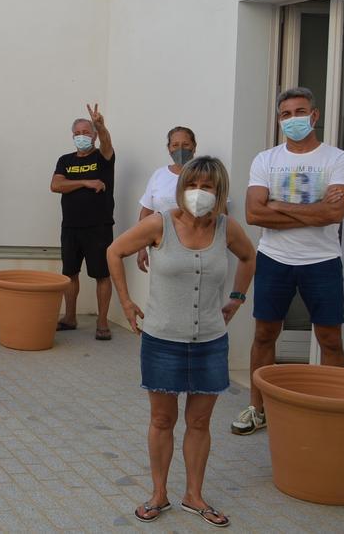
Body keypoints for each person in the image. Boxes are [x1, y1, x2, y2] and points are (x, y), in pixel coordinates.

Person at [107, 156, 255, 527]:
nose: (200, 193)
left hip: (210, 341)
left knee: (200, 422)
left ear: (219, 192)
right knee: (162, 419)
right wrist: (125, 301)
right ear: (181, 187)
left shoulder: (226, 227)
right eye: (193, 185)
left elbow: (249, 257)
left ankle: (194, 495)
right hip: (163, 339)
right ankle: (159, 493)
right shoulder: (160, 224)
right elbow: (114, 251)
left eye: (208, 186)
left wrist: (236, 299)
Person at [232, 87, 344, 436]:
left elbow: (336, 213)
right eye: (286, 114)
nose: (293, 119)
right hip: (275, 259)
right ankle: (258, 408)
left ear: (314, 116)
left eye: (300, 112)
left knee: (330, 339)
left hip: (323, 261)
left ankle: (335, 414)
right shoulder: (266, 160)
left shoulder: (338, 159)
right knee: (265, 335)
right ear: (279, 119)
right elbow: (254, 214)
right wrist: (315, 212)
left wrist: (279, 205)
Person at [50, 104, 115, 340]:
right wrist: (86, 182)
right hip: (70, 227)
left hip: (99, 226)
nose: (81, 137)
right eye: (77, 133)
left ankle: (102, 322)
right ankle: (70, 317)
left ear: (94, 136)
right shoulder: (65, 160)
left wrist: (100, 125)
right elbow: (56, 185)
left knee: (102, 274)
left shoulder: (103, 157)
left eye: (86, 133)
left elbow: (107, 142)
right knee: (70, 274)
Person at [136, 127, 198, 272]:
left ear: (194, 146)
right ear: (169, 149)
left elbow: (221, 212)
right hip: (162, 247)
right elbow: (146, 213)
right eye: (175, 145)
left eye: (186, 145)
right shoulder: (159, 175)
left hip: (196, 247)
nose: (180, 150)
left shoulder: (205, 173)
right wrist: (141, 247)